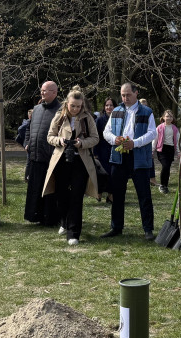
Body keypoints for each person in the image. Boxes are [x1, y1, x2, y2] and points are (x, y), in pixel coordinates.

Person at [44, 87, 99, 244]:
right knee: (61, 195)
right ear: (67, 104)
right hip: (61, 161)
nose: (75, 109)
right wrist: (60, 141)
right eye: (73, 105)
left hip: (80, 162)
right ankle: (64, 221)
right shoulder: (59, 116)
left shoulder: (87, 118)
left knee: (76, 197)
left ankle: (73, 233)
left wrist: (81, 143)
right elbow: (50, 136)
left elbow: (95, 138)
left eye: (78, 106)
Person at [102, 83, 156, 240]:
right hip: (119, 157)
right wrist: (114, 139)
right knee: (117, 194)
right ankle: (116, 227)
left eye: (128, 95)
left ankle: (148, 229)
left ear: (136, 93)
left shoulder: (147, 112)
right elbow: (106, 132)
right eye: (123, 95)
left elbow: (152, 133)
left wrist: (135, 143)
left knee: (144, 195)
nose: (125, 98)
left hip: (139, 158)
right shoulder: (116, 111)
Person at [24, 81, 62, 226]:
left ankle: (50, 218)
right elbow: (28, 128)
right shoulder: (36, 109)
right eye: (41, 90)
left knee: (50, 190)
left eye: (45, 90)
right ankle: (35, 216)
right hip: (35, 155)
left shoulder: (61, 110)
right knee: (36, 188)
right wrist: (27, 142)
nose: (42, 93)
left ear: (54, 92)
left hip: (51, 157)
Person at [94, 97, 115, 202]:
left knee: (113, 174)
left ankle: (111, 195)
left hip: (114, 150)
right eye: (107, 105)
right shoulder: (99, 120)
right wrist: (95, 153)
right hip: (102, 151)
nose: (109, 107)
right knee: (102, 174)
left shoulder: (118, 119)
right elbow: (96, 137)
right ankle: (99, 193)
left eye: (111, 105)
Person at [154, 109, 180, 193]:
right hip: (162, 149)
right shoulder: (159, 127)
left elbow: (177, 140)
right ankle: (162, 185)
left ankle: (165, 185)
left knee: (167, 167)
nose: (169, 118)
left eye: (170, 116)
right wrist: (152, 150)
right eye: (167, 116)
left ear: (173, 118)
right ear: (163, 117)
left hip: (170, 149)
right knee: (165, 166)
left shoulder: (175, 128)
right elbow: (155, 139)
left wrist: (179, 152)